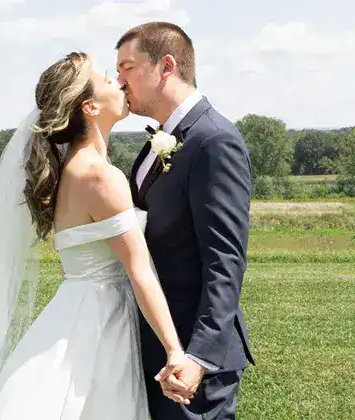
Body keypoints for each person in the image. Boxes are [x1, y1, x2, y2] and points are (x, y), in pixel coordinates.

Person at [0, 51, 197, 420]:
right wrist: (175, 351)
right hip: (98, 325)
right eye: (107, 79)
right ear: (91, 108)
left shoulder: (71, 169)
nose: (119, 81)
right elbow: (139, 271)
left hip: (77, 309)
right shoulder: (99, 175)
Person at [116, 21, 255, 420]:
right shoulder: (159, 139)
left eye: (127, 67)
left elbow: (225, 259)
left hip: (191, 362)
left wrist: (199, 356)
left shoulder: (214, 140)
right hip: (154, 342)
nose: (119, 80)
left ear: (167, 66)